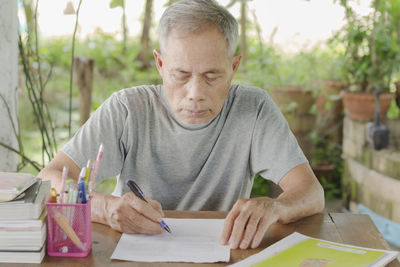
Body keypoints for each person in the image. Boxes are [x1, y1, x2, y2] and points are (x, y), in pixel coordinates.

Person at [38, 0, 324, 250]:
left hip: (224, 253)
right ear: (160, 63)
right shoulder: (127, 108)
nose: (195, 93)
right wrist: (104, 208)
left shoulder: (254, 108)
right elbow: (48, 177)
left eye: (212, 76)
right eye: (180, 75)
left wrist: (276, 206)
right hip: (132, 254)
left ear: (234, 66)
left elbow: (311, 192)